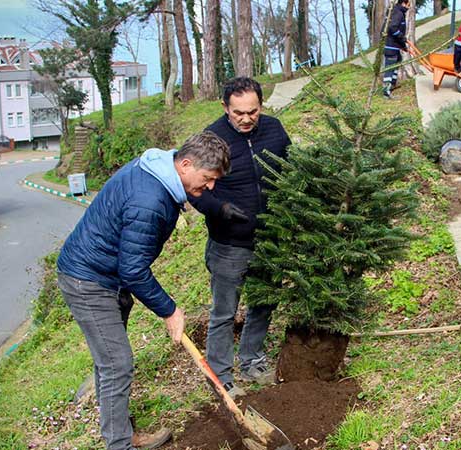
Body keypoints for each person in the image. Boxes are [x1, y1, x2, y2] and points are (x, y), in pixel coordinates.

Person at [56, 132, 230, 450]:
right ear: (186, 163)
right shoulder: (149, 200)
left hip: (107, 274)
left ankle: (122, 433)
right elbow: (133, 270)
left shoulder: (160, 170)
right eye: (207, 179)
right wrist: (169, 310)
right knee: (116, 364)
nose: (210, 187)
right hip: (89, 280)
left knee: (110, 363)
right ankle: (120, 444)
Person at [188, 77, 291, 399]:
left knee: (263, 304)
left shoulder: (274, 130)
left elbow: (292, 170)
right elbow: (192, 189)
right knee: (223, 312)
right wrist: (219, 208)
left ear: (261, 105)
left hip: (270, 239)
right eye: (238, 113)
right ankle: (220, 376)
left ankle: (252, 361)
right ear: (225, 108)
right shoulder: (210, 139)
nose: (246, 119)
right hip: (229, 245)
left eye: (253, 111)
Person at [383, 0, 410, 98]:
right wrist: (402, 37)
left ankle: (393, 84)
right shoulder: (398, 13)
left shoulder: (397, 11)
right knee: (389, 68)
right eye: (408, 5)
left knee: (398, 60)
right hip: (391, 46)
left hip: (395, 46)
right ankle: (386, 92)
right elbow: (392, 28)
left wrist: (403, 45)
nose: (408, 7)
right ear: (403, 3)